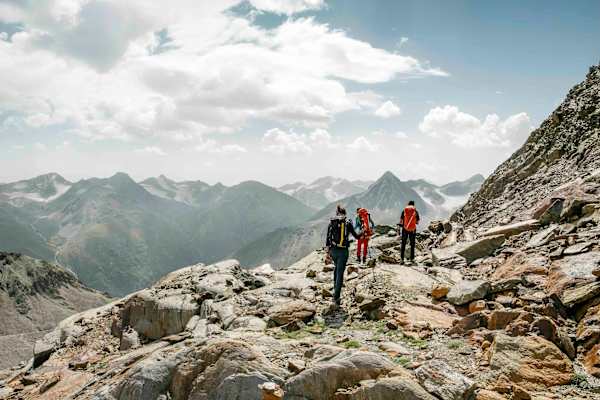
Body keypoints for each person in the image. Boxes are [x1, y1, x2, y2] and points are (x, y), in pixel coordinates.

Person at [325, 205, 362, 308]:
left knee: (337, 269)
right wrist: (363, 231)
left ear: (337, 214)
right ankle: (336, 297)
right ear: (345, 214)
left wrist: (327, 253)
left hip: (333, 250)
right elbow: (357, 236)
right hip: (343, 251)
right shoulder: (348, 223)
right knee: (340, 273)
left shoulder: (332, 223)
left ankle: (335, 289)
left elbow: (328, 239)